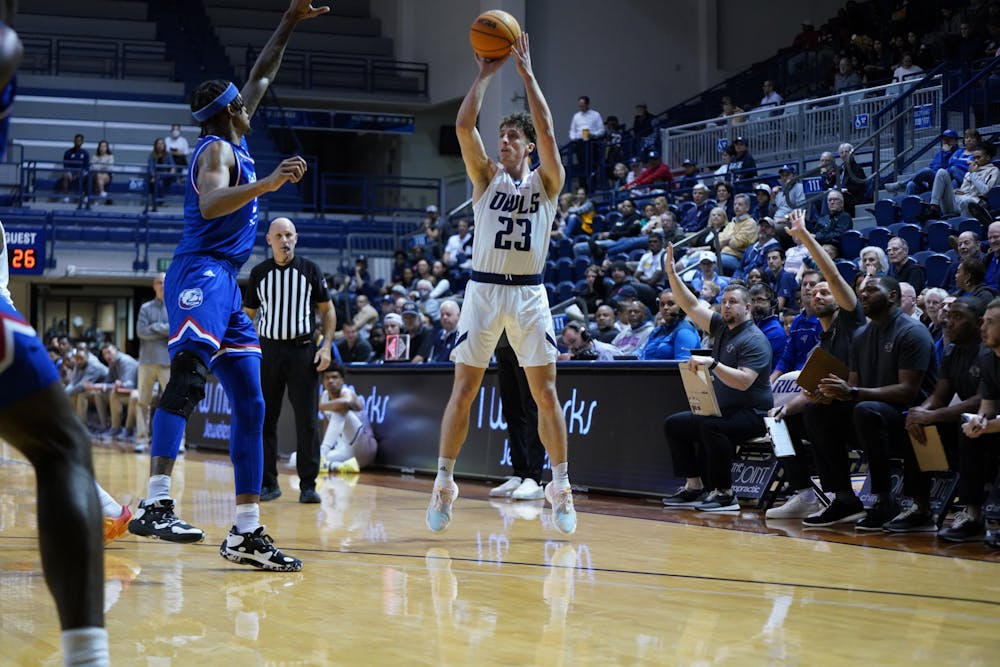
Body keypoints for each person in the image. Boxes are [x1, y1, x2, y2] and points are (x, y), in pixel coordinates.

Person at [128, 0, 329, 573]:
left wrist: (290, 20)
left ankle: (244, 531)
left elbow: (264, 70)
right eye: (242, 101)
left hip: (227, 281)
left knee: (251, 398)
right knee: (190, 376)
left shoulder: (233, 134)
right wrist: (266, 183)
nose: (252, 99)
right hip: (202, 270)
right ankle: (157, 500)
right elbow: (213, 201)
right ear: (230, 111)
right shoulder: (216, 150)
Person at [428, 32, 576, 535]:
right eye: (502, 138)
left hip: (530, 293)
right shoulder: (485, 178)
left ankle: (559, 483)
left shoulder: (546, 183)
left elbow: (551, 135)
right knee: (464, 392)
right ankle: (444, 481)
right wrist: (486, 74)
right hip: (484, 291)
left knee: (545, 393)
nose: (504, 142)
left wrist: (527, 75)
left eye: (513, 138)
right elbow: (462, 124)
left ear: (528, 147)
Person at [662, 243, 773, 511]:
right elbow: (689, 306)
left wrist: (713, 364)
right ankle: (694, 486)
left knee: (711, 426)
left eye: (732, 302)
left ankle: (725, 493)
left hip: (754, 414)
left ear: (747, 308)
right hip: (725, 410)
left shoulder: (755, 340)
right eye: (723, 302)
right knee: (675, 425)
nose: (725, 306)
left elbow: (744, 381)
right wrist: (672, 275)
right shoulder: (722, 326)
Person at [245, 217, 336, 504]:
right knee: (265, 420)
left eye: (289, 235)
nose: (285, 240)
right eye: (279, 235)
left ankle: (308, 485)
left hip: (303, 352)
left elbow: (327, 310)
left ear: (296, 238)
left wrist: (327, 347)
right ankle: (268, 483)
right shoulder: (258, 273)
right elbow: (247, 316)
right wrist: (246, 350)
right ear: (269, 240)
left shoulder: (310, 270)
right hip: (268, 352)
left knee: (307, 420)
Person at [899, 297, 985, 533]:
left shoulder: (988, 351)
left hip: (988, 420)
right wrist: (920, 412)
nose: (948, 322)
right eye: (949, 316)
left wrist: (932, 416)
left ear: (979, 323)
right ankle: (920, 509)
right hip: (969, 418)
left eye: (958, 317)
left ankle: (974, 516)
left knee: (968, 430)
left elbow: (981, 400)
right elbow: (939, 397)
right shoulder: (951, 351)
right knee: (915, 425)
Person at [951, 298, 1000, 547]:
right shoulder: (989, 358)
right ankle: (973, 515)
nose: (982, 328)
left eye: (990, 323)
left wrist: (990, 425)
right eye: (983, 322)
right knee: (968, 432)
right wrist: (979, 422)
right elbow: (988, 405)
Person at [489, 331, 547, 501]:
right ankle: (519, 473)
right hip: (501, 343)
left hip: (526, 339)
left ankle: (534, 478)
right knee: (511, 410)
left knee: (531, 408)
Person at [134, 272, 171, 453]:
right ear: (154, 286)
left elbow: (175, 330)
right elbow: (141, 331)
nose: (162, 286)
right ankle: (141, 439)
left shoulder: (175, 306)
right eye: (159, 283)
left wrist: (154, 327)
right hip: (146, 361)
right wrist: (164, 330)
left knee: (174, 402)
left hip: (168, 361)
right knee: (143, 402)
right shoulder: (145, 308)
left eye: (165, 282)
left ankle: (177, 442)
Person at [318, 363, 377, 472]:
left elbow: (345, 403)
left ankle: (323, 453)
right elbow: (326, 425)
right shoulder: (324, 396)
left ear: (342, 380)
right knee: (298, 458)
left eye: (334, 377)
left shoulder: (348, 393)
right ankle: (336, 466)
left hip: (364, 448)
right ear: (323, 382)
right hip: (346, 452)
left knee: (340, 409)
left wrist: (321, 406)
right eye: (327, 378)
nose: (330, 381)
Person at [639, 289, 700, 361]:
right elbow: (641, 354)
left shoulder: (685, 331)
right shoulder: (656, 330)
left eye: (671, 304)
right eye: (662, 304)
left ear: (681, 307)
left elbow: (683, 366)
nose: (665, 308)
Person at [56, 133, 89, 202]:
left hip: (81, 172)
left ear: (82, 142)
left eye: (80, 141)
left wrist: (82, 172)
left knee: (88, 176)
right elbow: (65, 165)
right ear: (74, 141)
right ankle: (66, 196)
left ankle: (85, 196)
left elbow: (86, 166)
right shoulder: (68, 152)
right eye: (76, 140)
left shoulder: (85, 153)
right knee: (65, 175)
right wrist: (69, 172)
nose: (78, 142)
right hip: (71, 172)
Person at [147, 137, 176, 205]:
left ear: (164, 145)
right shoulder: (152, 155)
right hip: (155, 175)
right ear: (156, 145)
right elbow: (150, 168)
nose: (160, 145)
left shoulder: (168, 154)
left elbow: (173, 166)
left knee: (159, 181)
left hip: (165, 176)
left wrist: (172, 171)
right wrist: (154, 176)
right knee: (158, 182)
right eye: (159, 144)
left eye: (162, 144)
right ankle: (159, 202)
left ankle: (157, 202)